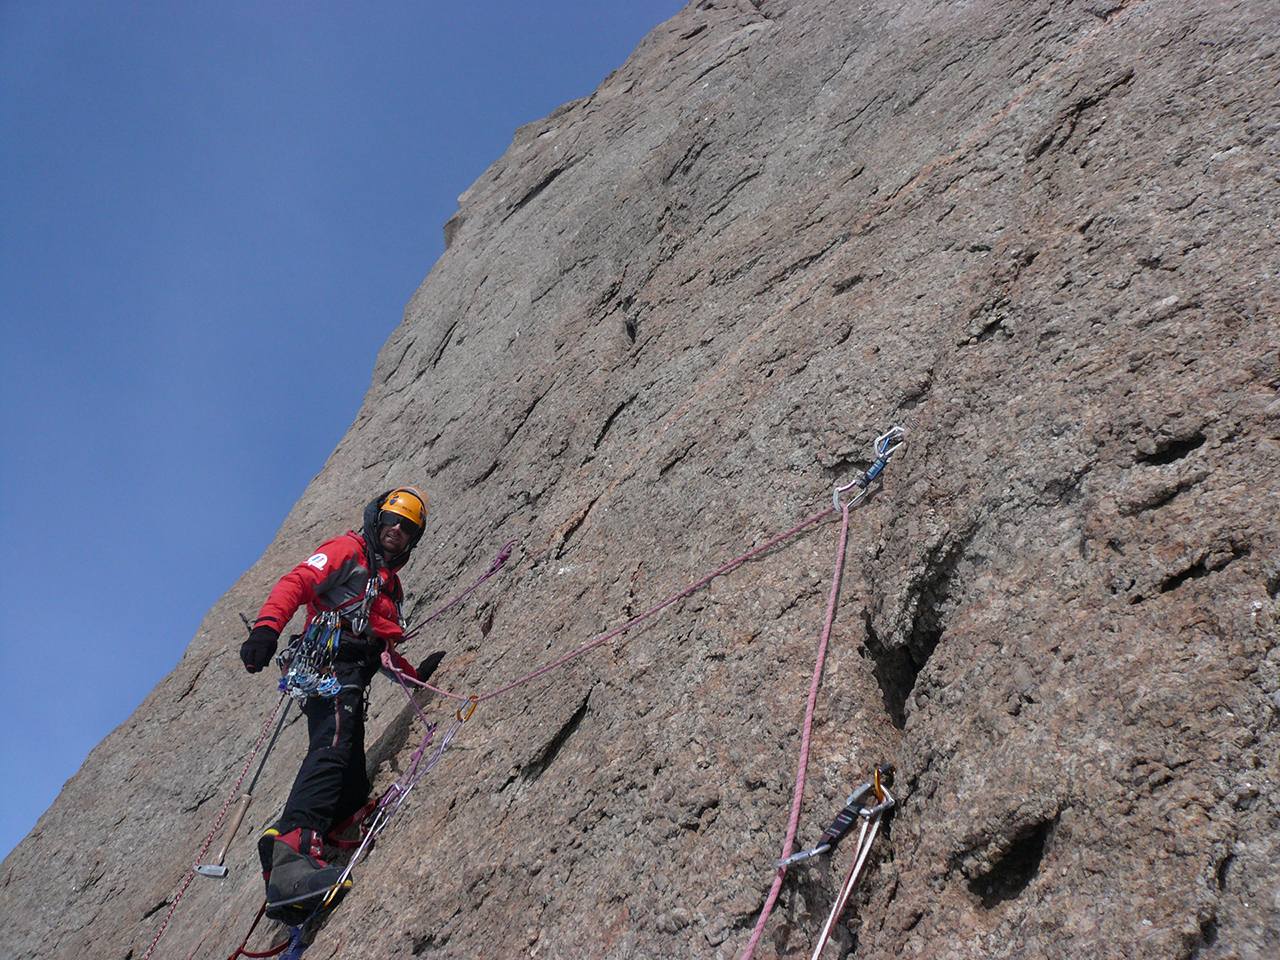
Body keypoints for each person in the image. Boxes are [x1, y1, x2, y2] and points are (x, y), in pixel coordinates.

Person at [239, 487, 444, 921]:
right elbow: (297, 582)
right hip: (328, 665)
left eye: (408, 529)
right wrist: (266, 627)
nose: (397, 531)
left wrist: (412, 676)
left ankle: (296, 836)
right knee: (332, 744)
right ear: (377, 519)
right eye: (393, 520)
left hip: (352, 673)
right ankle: (294, 851)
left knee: (351, 782)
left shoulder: (389, 587)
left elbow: (379, 644)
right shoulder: (347, 550)